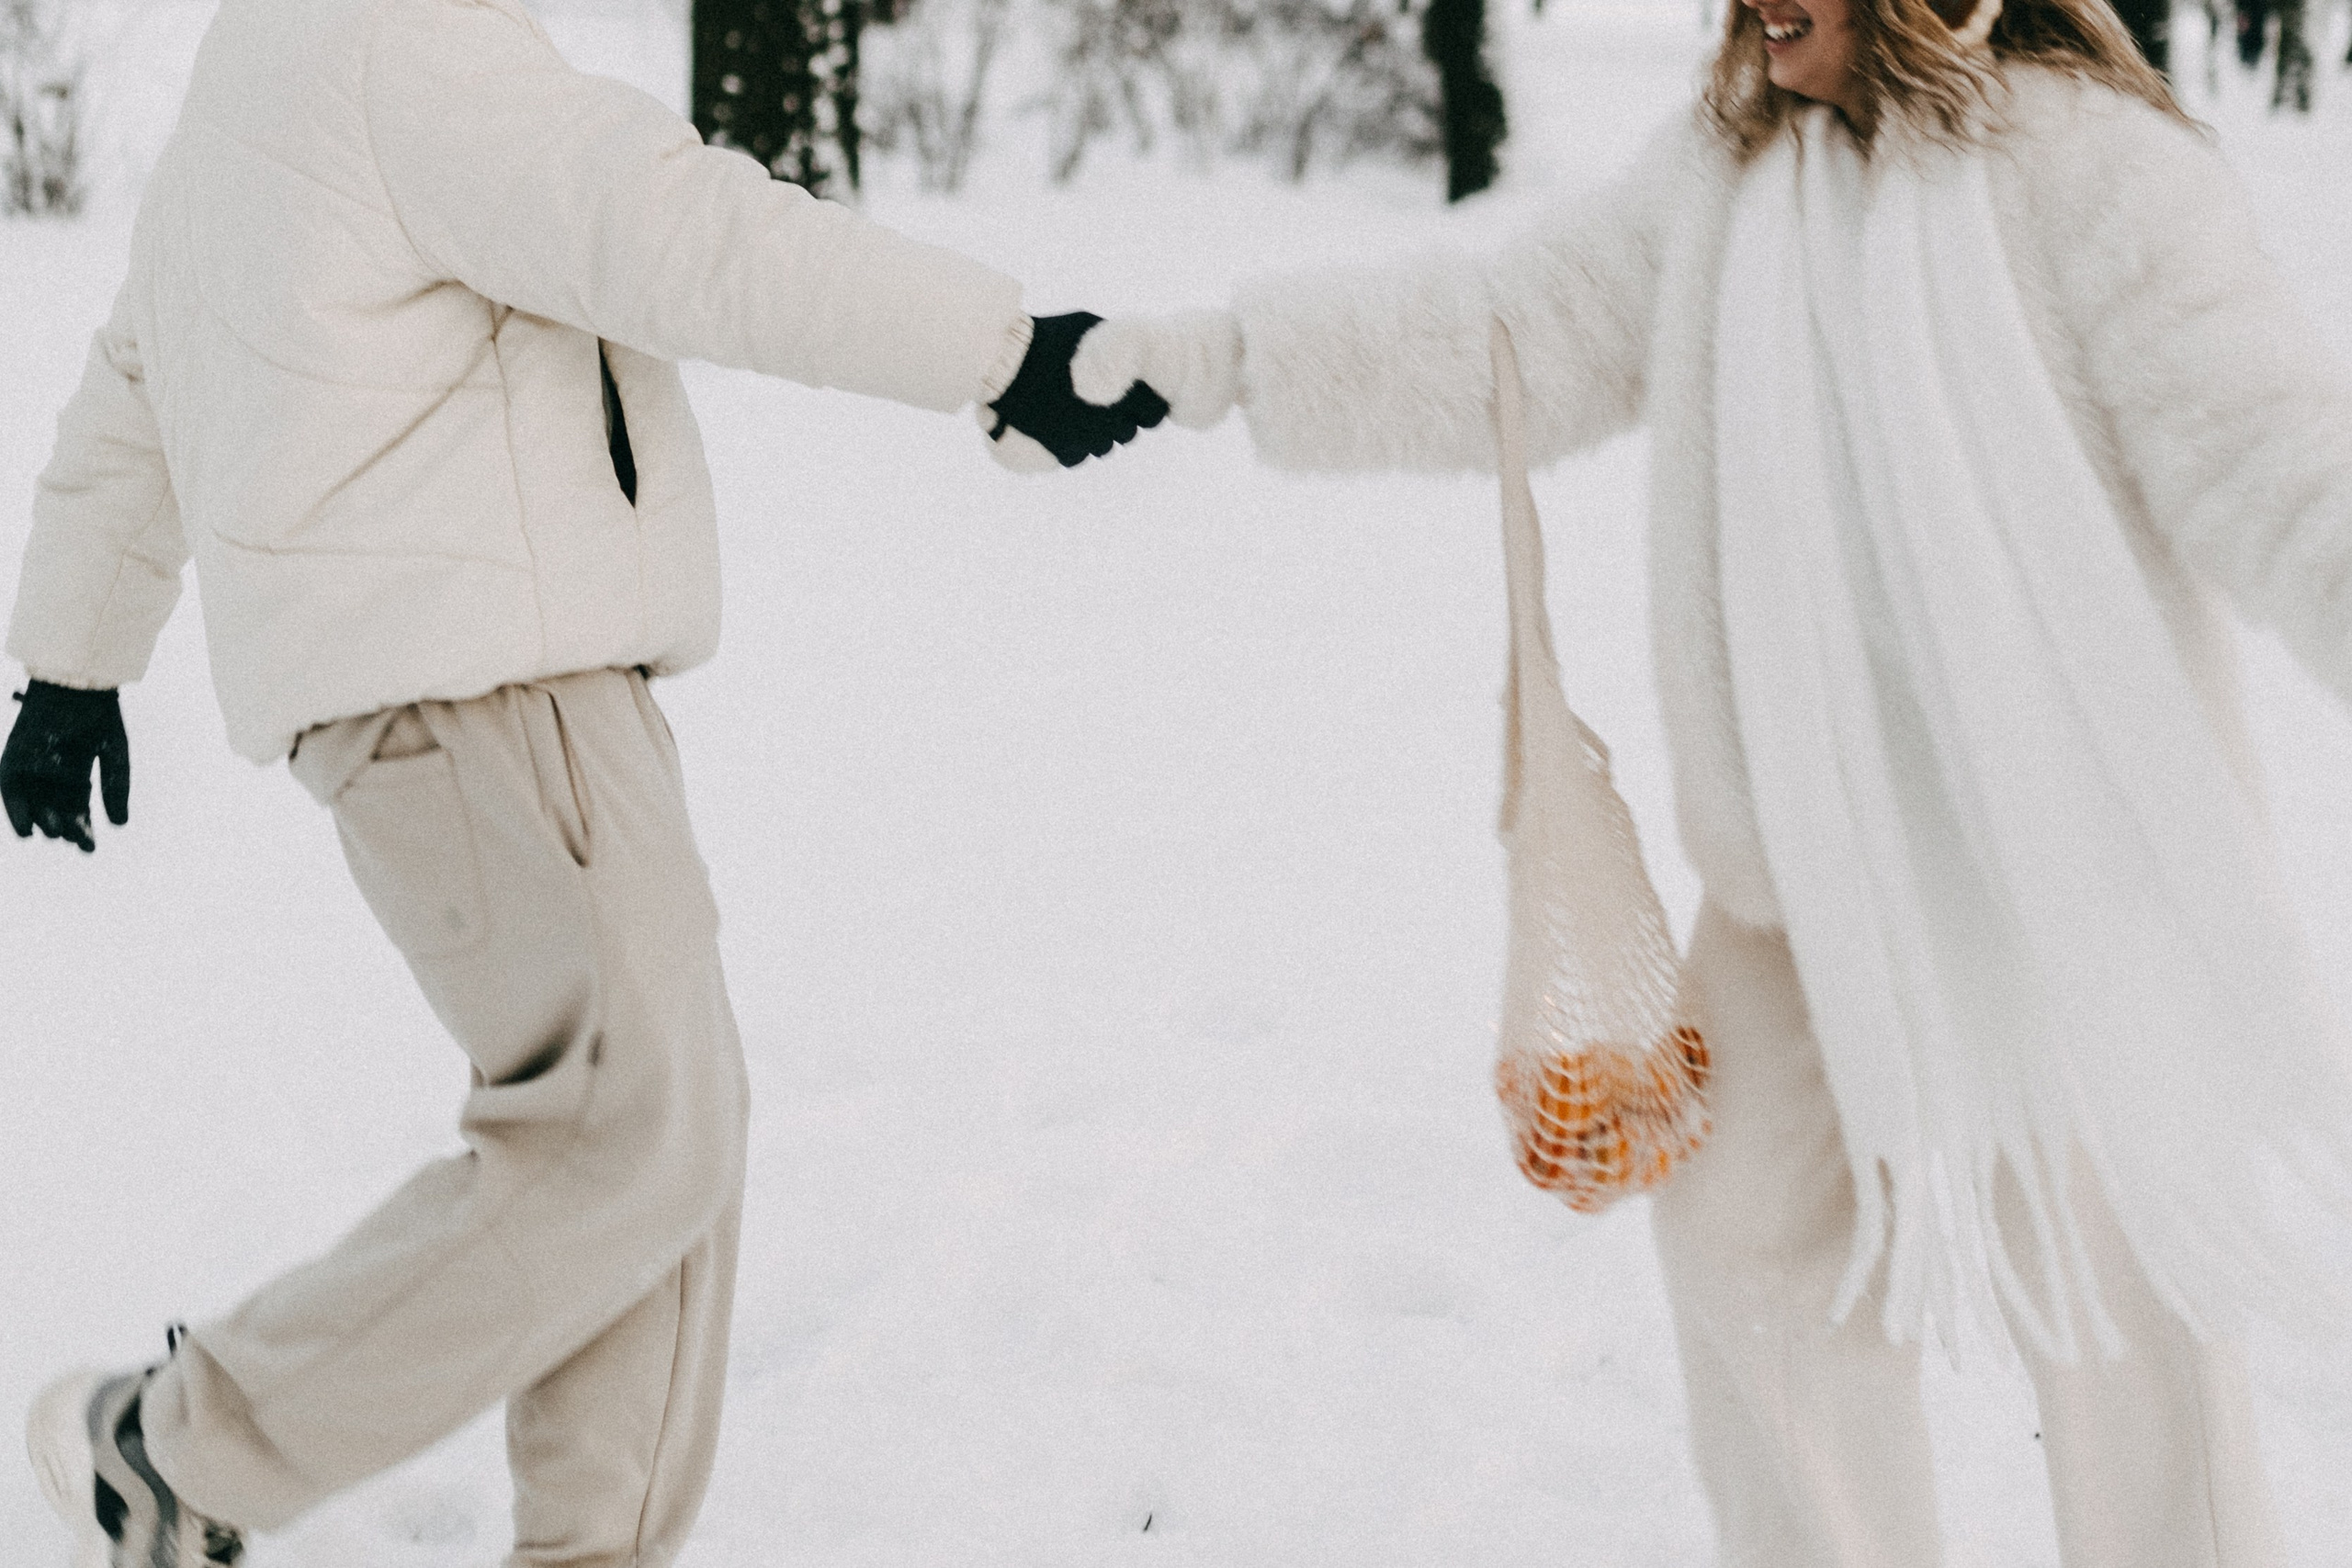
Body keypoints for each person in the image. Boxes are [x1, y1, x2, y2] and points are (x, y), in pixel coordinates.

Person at [1041, 0, 2352, 1561]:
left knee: (2129, 1319)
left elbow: (2272, 456)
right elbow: (1504, 334)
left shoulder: (2097, 174)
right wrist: (1207, 363)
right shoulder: (1731, 177)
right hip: (1804, 874)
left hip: (2067, 881)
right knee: (1743, 1236)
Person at [2, 0, 1164, 1560]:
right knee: (627, 1130)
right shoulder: (401, 50)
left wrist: (74, 659)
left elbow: (133, 386)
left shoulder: (261, 71)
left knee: (666, 1135)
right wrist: (1001, 351)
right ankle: (180, 1449)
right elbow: (673, 230)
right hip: (477, 685)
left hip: (485, 684)